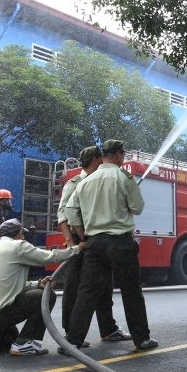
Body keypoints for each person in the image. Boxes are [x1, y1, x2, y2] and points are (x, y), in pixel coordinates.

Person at [65, 139, 158, 352]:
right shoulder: (123, 177)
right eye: (122, 154)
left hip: (94, 244)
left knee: (87, 292)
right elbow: (137, 207)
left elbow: (71, 212)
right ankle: (141, 339)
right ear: (117, 155)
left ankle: (72, 340)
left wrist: (83, 237)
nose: (123, 158)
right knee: (131, 291)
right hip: (120, 242)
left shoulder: (86, 181)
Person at [0, 218, 82, 357]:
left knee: (9, 339)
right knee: (45, 295)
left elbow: (9, 285)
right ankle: (25, 342)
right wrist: (77, 249)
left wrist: (37, 284)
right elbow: (50, 257)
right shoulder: (18, 246)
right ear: (20, 234)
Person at [55, 145, 130, 352]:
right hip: (81, 244)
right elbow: (64, 216)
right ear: (96, 159)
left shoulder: (98, 180)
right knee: (76, 289)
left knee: (105, 286)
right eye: (102, 158)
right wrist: (73, 245)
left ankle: (108, 329)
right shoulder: (75, 183)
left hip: (96, 242)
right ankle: (71, 333)